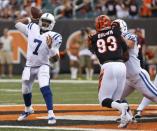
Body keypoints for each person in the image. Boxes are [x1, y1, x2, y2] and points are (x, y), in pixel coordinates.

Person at [15, 12, 62, 124]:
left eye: (48, 22)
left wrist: (51, 48)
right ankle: (28, 109)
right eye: (43, 21)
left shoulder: (55, 36)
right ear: (40, 21)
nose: (45, 23)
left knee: (44, 86)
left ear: (52, 24)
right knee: (25, 89)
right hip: (29, 65)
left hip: (43, 65)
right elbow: (17, 23)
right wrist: (29, 19)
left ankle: (51, 114)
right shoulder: (33, 27)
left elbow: (55, 59)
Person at [88, 15, 131, 128]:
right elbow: (125, 48)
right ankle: (127, 116)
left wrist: (92, 39)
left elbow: (92, 50)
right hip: (121, 65)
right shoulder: (116, 31)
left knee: (103, 100)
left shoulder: (94, 37)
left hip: (108, 66)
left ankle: (123, 108)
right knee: (117, 98)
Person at [112, 19, 157, 120]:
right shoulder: (113, 40)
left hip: (138, 76)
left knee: (154, 96)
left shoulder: (130, 36)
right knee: (114, 98)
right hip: (127, 79)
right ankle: (127, 115)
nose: (113, 30)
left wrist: (116, 38)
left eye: (115, 28)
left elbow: (129, 44)